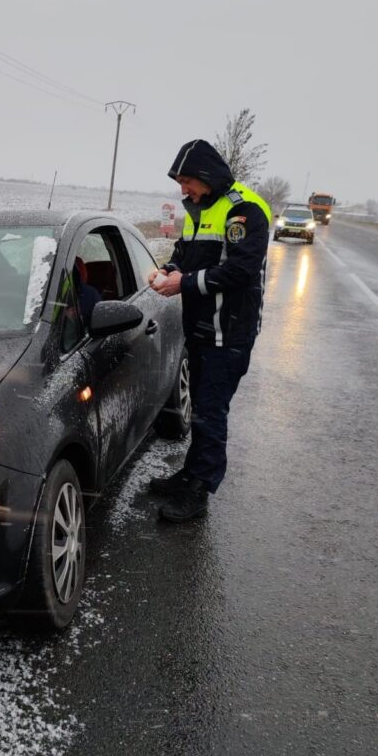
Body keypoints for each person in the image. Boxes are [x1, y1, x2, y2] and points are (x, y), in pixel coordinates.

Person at [148, 138, 271, 521]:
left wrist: (181, 284)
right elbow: (186, 251)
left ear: (206, 175)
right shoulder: (202, 208)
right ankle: (191, 474)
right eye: (180, 183)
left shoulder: (244, 210)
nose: (183, 190)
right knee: (201, 406)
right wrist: (169, 269)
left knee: (210, 412)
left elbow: (239, 271)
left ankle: (198, 493)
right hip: (201, 328)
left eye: (187, 181)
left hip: (229, 333)